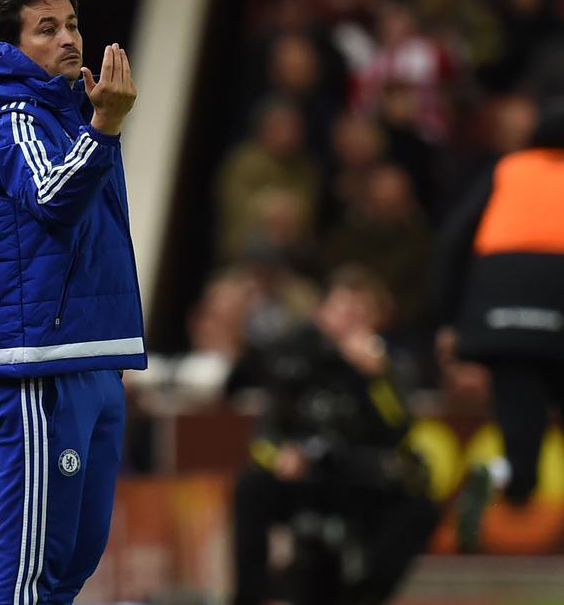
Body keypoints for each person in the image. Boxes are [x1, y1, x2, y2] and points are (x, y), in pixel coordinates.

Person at [0, 0, 143, 604]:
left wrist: (96, 121)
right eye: (47, 29)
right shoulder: (7, 115)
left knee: (74, 561)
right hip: (36, 363)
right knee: (32, 571)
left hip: (88, 355)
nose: (68, 39)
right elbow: (54, 197)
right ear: (11, 46)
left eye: (73, 24)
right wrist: (105, 123)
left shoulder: (64, 111)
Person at [229, 266, 438, 605]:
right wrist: (281, 456)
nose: (347, 321)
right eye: (340, 310)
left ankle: (364, 595)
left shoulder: (389, 366)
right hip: (305, 475)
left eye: (359, 313)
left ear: (377, 320)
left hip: (360, 476)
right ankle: (248, 597)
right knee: (251, 487)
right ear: (322, 313)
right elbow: (265, 435)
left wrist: (376, 377)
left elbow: (401, 428)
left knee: (419, 508)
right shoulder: (293, 355)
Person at [432, 97, 564, 553]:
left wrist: (446, 320)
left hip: (501, 316)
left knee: (520, 429)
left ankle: (504, 480)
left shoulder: (508, 169)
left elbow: (451, 242)